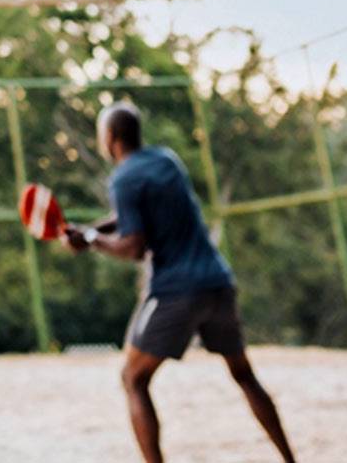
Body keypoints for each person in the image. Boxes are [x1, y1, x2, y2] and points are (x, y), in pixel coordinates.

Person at [66, 102, 297, 463]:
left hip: (176, 291)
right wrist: (91, 231)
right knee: (244, 376)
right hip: (217, 282)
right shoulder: (167, 160)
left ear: (109, 138)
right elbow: (133, 215)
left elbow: (134, 247)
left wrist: (93, 240)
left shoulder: (123, 178)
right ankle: (290, 459)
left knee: (133, 379)